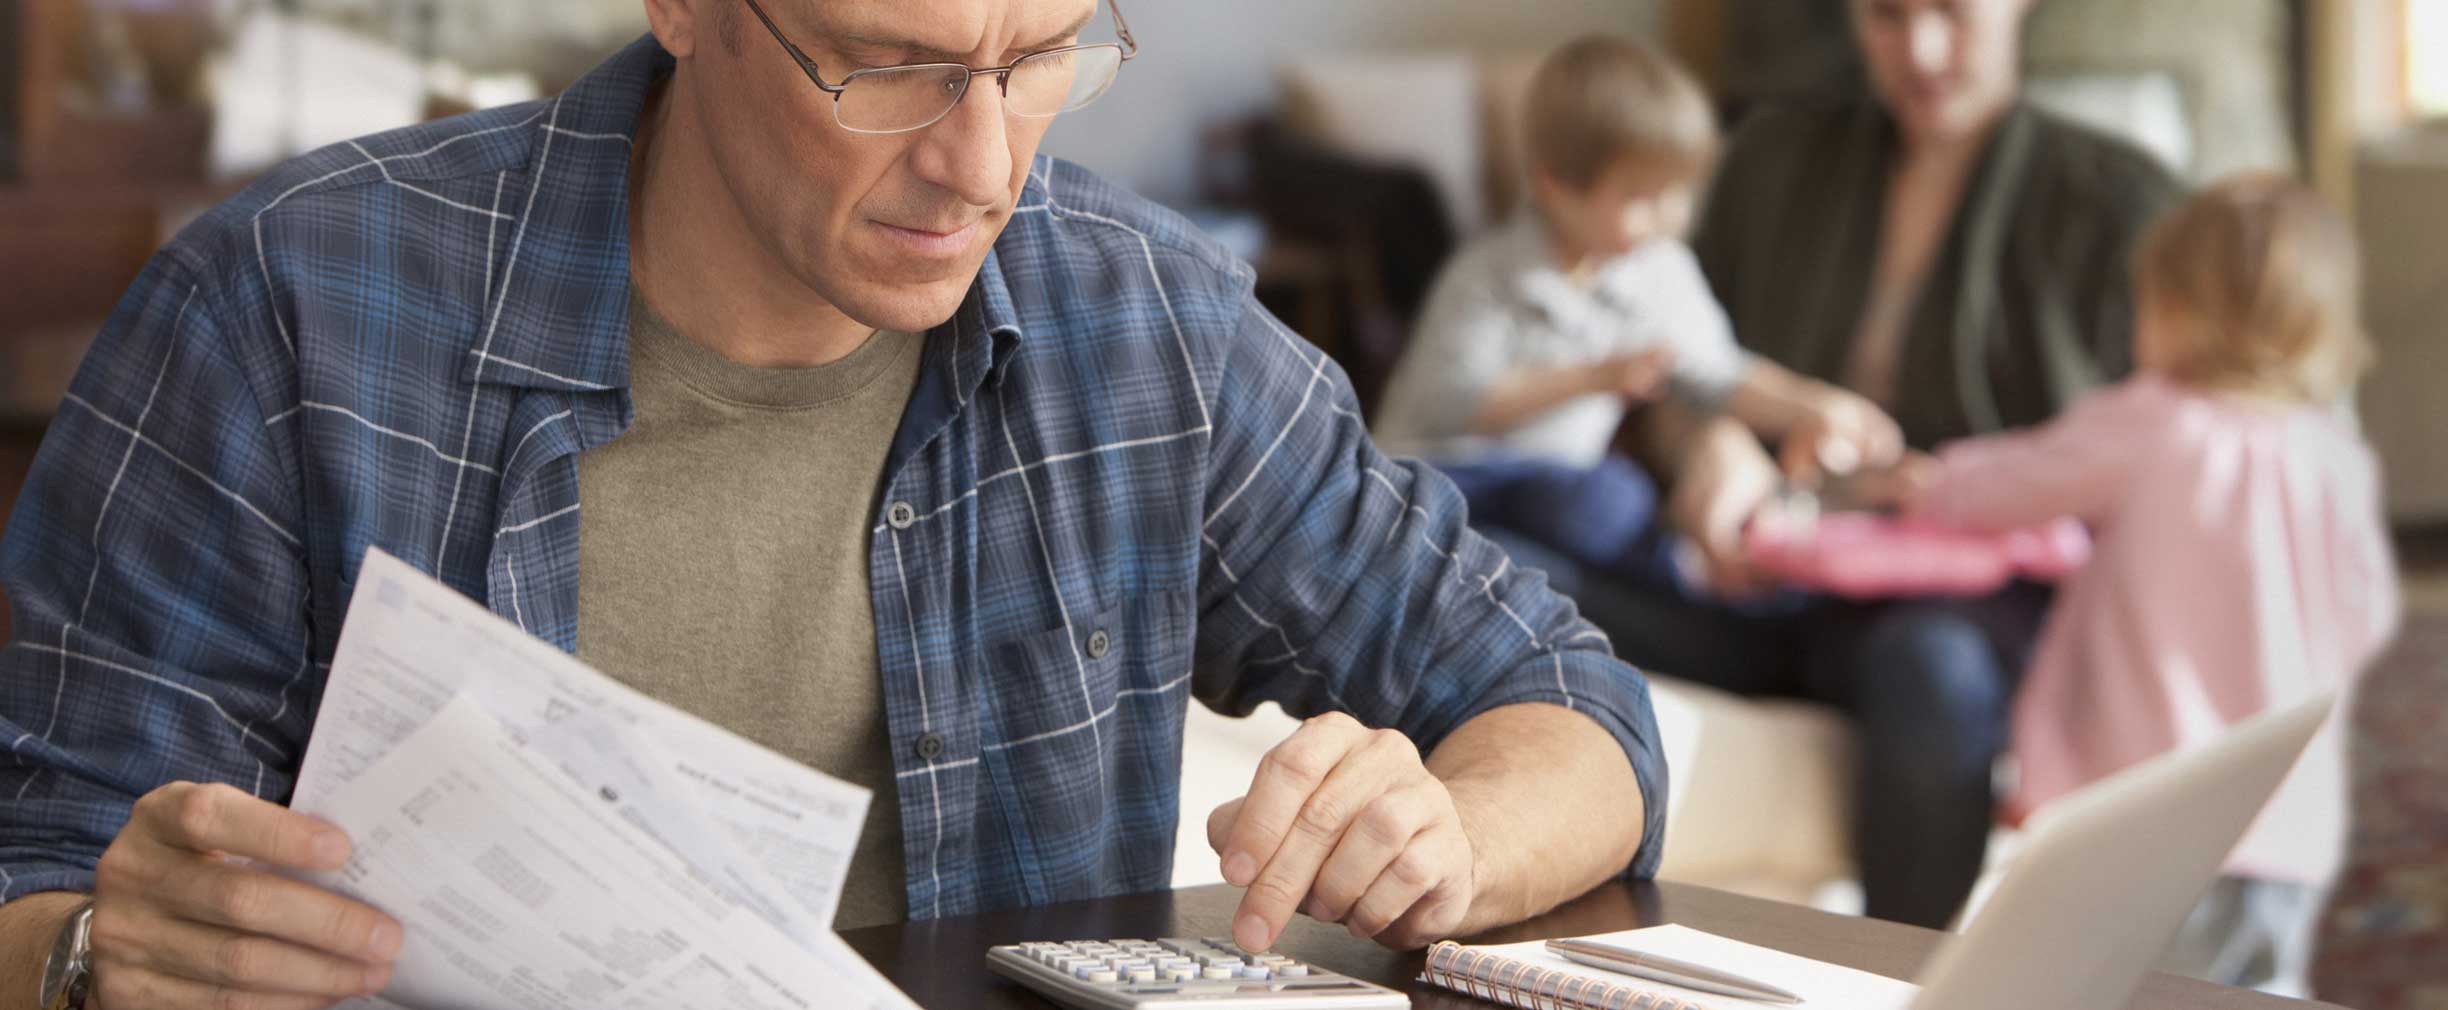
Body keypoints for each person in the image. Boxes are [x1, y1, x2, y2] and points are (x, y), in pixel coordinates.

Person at [0, 1, 1671, 1006]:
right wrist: (97, 955)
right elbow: (41, 877)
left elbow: (1571, 707)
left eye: (1036, 58)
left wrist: (1448, 833)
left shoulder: (1144, 327)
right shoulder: (285, 312)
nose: (983, 167)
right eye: (888, 70)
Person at [1561, 0, 2185, 929]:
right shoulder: (1770, 160)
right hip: (1760, 581)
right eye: (1890, 14)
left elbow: (2165, 464)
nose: (1920, 48)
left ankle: (1908, 981)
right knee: (1490, 552)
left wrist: (1956, 496)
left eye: (1950, 11)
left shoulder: (2123, 204)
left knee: (1925, 667)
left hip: (1968, 602)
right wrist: (1716, 447)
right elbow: (1674, 376)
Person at [1888, 175, 2400, 988]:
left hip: (2146, 823)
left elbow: (2016, 481)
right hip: (2289, 826)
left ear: (2177, 313)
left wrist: (1923, 480)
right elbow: (2367, 614)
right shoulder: (2334, 456)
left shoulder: (2156, 421)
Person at [1372, 36, 1890, 602]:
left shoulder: (1659, 271)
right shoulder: (1486, 276)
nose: (1670, 217)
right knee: (1600, 502)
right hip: (1451, 474)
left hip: (1554, 488)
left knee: (1608, 504)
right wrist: (1591, 378)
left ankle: (1712, 583)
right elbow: (1449, 402)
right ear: (1556, 188)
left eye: (1681, 194)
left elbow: (1718, 373)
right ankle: (1675, 580)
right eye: (1643, 197)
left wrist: (1810, 406)